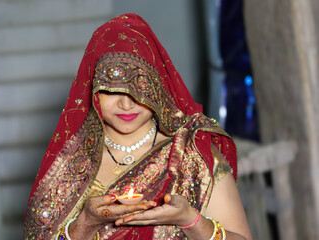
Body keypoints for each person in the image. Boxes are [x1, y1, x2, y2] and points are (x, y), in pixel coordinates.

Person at [23, 13, 252, 240]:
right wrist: (85, 224)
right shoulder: (71, 162)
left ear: (158, 86)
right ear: (92, 88)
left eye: (139, 87)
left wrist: (191, 221)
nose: (126, 103)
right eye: (113, 89)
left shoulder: (191, 156)